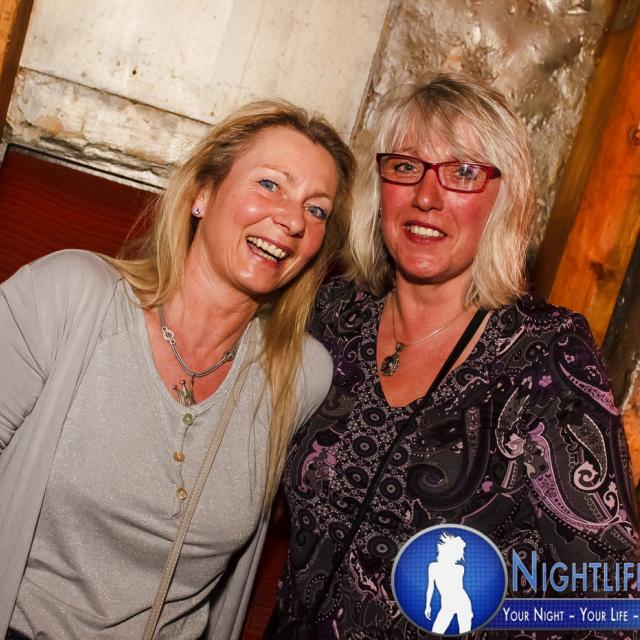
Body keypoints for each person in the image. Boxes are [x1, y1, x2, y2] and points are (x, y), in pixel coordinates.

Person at [269, 73, 640, 638]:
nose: (426, 196)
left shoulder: (545, 354)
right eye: (406, 166)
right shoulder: (333, 315)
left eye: (463, 173)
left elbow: (615, 601)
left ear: (504, 200)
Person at [0, 99, 355, 639]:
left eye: (317, 210)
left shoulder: (299, 375)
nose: (291, 220)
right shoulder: (72, 296)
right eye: (269, 184)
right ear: (201, 195)